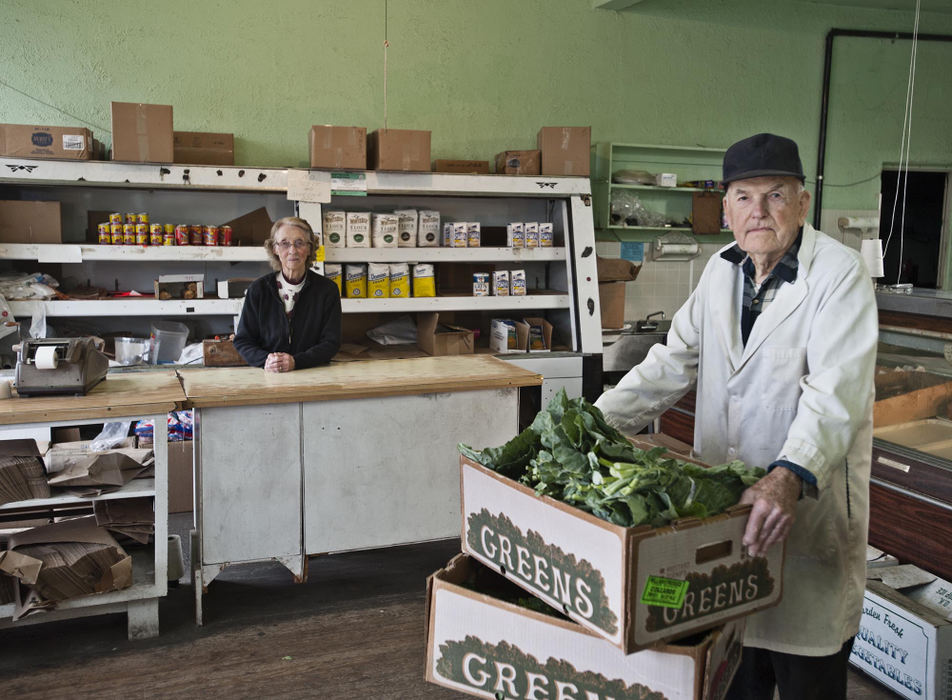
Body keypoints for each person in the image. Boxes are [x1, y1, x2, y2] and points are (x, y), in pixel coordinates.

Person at [594, 133, 878, 699]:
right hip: (729, 518)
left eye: (776, 196)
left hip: (802, 519)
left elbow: (835, 395)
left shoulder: (839, 276)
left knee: (806, 675)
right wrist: (594, 424)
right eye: (744, 197)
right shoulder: (720, 272)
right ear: (725, 211)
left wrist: (789, 473)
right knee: (731, 674)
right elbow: (671, 363)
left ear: (801, 204)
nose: (759, 212)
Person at [234, 216, 341, 372]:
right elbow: (243, 341)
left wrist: (296, 362)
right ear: (274, 249)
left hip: (313, 373)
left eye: (299, 243)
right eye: (284, 243)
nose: (292, 250)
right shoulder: (258, 289)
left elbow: (331, 343)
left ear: (310, 248)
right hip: (268, 374)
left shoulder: (327, 290)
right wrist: (267, 360)